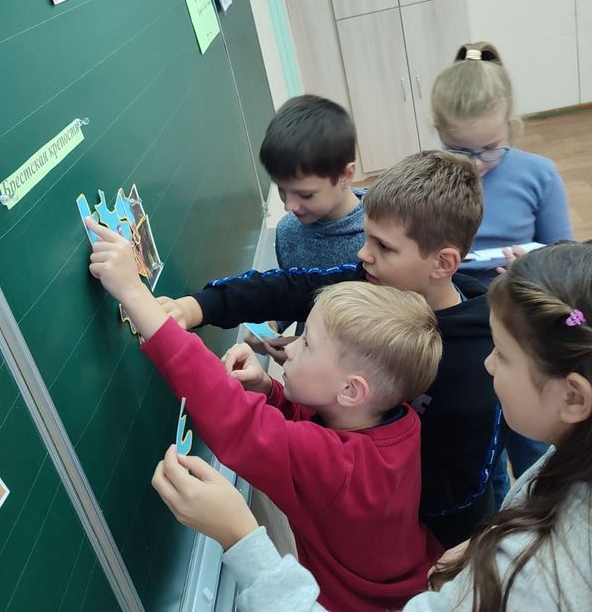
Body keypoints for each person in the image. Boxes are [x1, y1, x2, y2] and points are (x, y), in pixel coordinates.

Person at [151, 241, 592, 611]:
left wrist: (242, 540)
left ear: (574, 396)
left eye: (502, 354)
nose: (485, 365)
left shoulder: (534, 574)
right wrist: (484, 549)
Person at [86, 217, 443, 611]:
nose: (289, 348)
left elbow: (235, 419)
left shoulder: (337, 467)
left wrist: (134, 294)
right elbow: (330, 432)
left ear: (351, 389)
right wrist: (272, 393)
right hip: (412, 578)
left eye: (307, 344)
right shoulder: (400, 420)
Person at [156, 150, 505, 548]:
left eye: (384, 246)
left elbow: (461, 489)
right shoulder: (370, 282)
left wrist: (352, 483)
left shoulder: (480, 366)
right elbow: (287, 288)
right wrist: (197, 307)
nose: (363, 254)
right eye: (367, 237)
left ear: (442, 264)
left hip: (431, 547)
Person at [431, 41, 573, 501]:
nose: (476, 164)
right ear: (438, 133)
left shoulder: (539, 174)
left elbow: (566, 257)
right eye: (459, 150)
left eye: (490, 149)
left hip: (523, 329)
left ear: (511, 124)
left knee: (534, 441)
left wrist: (534, 268)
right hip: (460, 331)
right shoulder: (432, 179)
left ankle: (541, 510)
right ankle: (490, 519)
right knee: (478, 448)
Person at [261, 95, 366, 272]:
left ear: (345, 175)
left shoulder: (381, 238)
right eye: (281, 189)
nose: (289, 206)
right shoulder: (286, 233)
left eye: (305, 194)